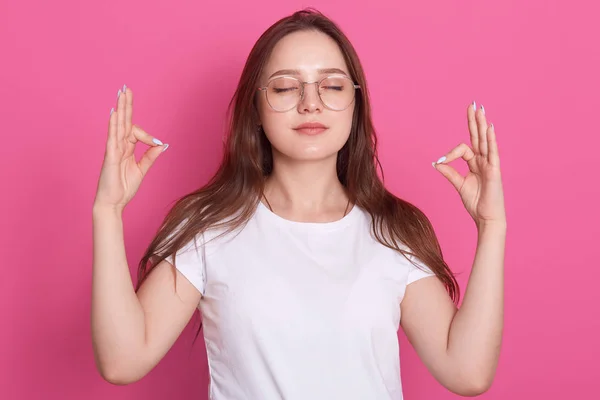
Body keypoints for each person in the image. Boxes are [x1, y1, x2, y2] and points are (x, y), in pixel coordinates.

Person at [91, 8, 507, 400]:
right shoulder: (210, 227)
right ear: (255, 109)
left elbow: (466, 371)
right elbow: (123, 360)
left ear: (355, 104)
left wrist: (492, 228)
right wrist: (107, 213)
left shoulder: (391, 231)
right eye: (287, 87)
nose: (311, 103)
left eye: (332, 86)